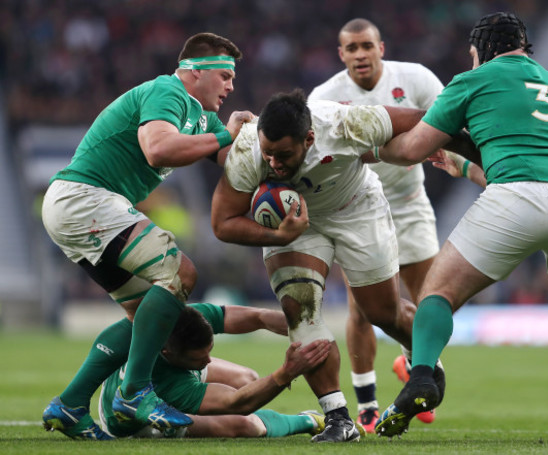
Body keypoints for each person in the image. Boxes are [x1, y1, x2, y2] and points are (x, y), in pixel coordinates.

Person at [373, 12, 548, 446]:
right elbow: (531, 162)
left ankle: (422, 376)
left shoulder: (472, 80)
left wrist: (365, 143)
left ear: (481, 49)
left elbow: (410, 150)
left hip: (518, 198)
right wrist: (465, 167)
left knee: (437, 293)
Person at [210, 89, 479, 442]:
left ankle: (424, 361)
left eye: (284, 154)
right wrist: (279, 236)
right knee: (299, 311)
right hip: (295, 227)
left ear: (310, 138)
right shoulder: (248, 150)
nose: (274, 163)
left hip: (357, 209)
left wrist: (484, 154)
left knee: (382, 313)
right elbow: (222, 223)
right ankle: (338, 417)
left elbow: (425, 121)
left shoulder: (344, 123)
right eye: (268, 153)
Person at [41, 32, 255, 440]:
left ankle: (70, 404)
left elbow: (235, 163)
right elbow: (158, 149)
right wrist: (228, 135)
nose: (231, 86)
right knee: (181, 273)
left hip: (80, 207)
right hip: (86, 197)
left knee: (146, 317)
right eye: (225, 76)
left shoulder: (203, 117)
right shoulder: (168, 91)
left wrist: (271, 152)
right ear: (195, 72)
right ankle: (136, 390)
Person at [307, 18, 445, 432]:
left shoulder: (416, 78)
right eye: (352, 49)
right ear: (341, 54)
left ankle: (415, 364)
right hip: (357, 209)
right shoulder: (325, 96)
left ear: (381, 47)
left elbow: (447, 121)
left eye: (366, 46)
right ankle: (367, 403)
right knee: (363, 308)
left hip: (408, 203)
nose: (360, 54)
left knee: (432, 303)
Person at [98, 303, 331, 439]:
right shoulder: (172, 384)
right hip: (136, 421)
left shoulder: (184, 318)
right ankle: (309, 420)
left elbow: (257, 317)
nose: (208, 361)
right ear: (168, 353)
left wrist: (302, 328)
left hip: (165, 373)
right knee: (244, 424)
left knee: (247, 378)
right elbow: (238, 404)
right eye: (199, 358)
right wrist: (287, 372)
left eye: (209, 351)